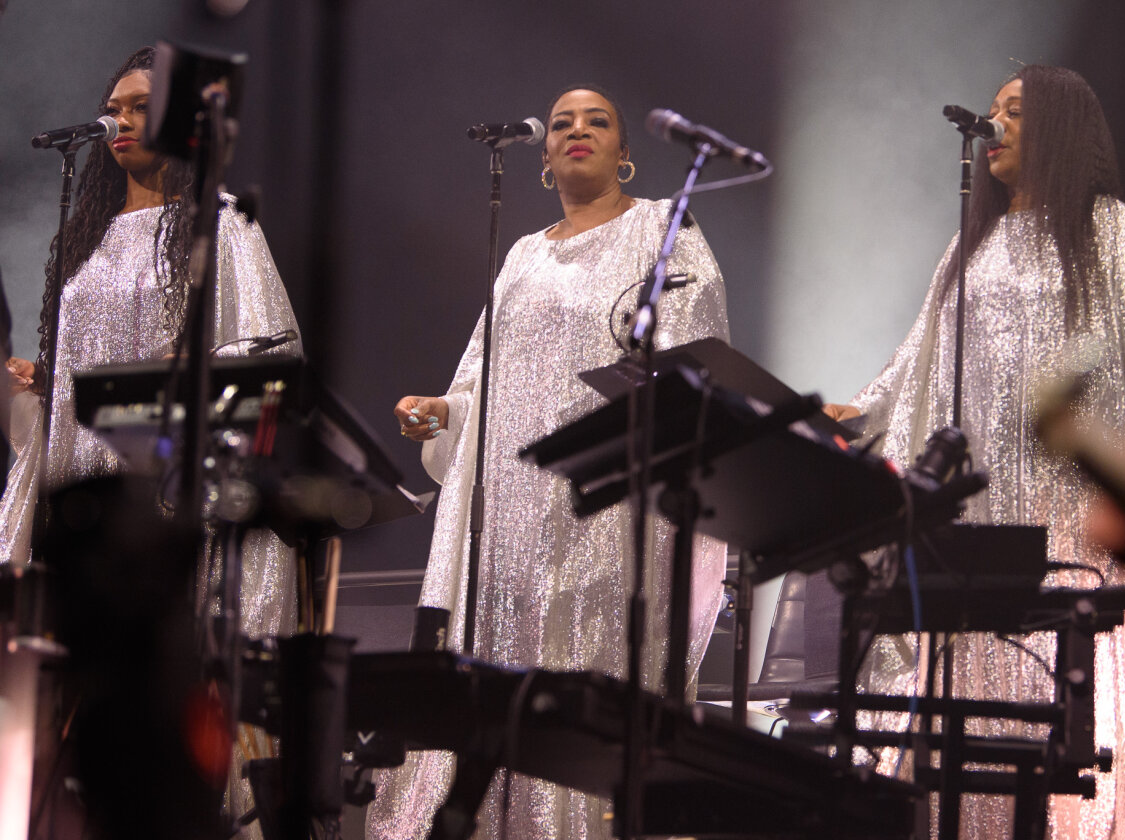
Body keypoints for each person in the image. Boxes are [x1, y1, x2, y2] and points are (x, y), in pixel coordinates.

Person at [824, 66, 1125, 840]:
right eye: (992, 113)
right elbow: (920, 352)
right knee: (976, 699)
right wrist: (862, 410)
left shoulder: (1108, 229)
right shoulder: (971, 243)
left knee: (1058, 703)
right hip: (981, 512)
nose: (994, 126)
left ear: (1060, 127)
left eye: (1015, 112)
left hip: (1069, 512)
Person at [369, 86, 730, 840]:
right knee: (503, 666)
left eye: (596, 121)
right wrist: (445, 410)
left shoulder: (664, 228)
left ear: (624, 152)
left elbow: (697, 361)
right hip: (508, 504)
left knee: (583, 666)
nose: (576, 130)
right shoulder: (524, 252)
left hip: (605, 500)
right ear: (540, 158)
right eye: (561, 123)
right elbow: (484, 371)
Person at [0, 46, 301, 830]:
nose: (122, 122)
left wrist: (190, 367)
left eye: (142, 107)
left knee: (163, 685)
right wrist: (45, 381)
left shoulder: (221, 222)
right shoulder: (86, 236)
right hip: (85, 486)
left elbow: (271, 355)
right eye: (117, 107)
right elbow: (79, 370)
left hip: (169, 489)